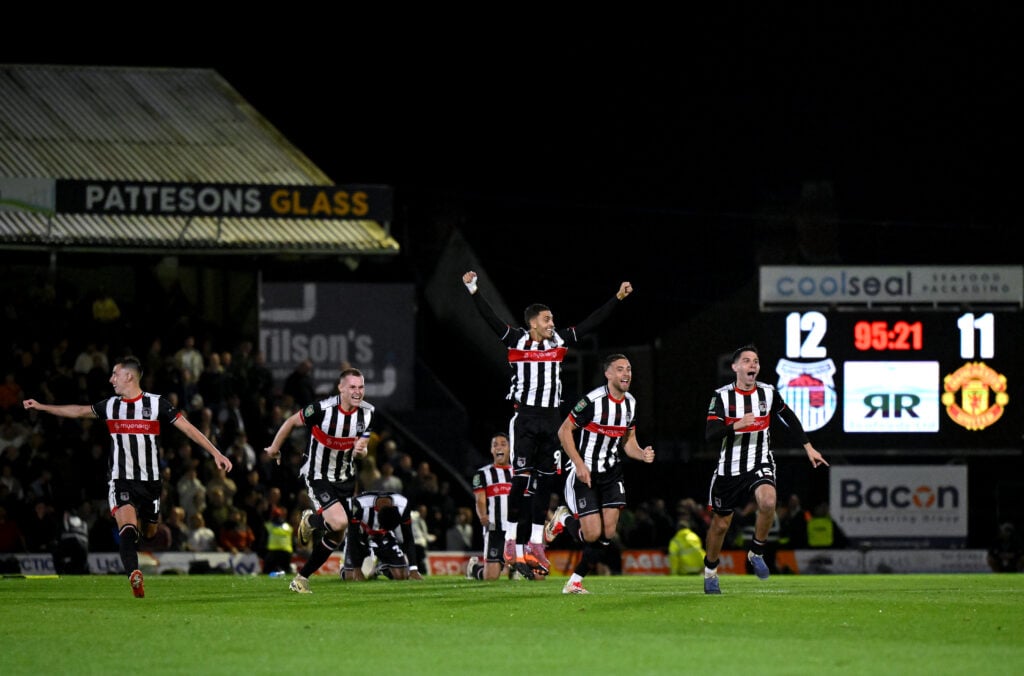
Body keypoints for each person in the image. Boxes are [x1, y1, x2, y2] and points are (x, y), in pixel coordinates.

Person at [461, 270, 633, 579]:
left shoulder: (559, 341)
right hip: (525, 417)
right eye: (547, 319)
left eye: (552, 319)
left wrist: (616, 299)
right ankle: (512, 541)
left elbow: (591, 322)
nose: (552, 323)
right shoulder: (516, 339)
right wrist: (474, 290)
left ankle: (537, 543)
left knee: (546, 482)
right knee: (521, 479)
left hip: (551, 418)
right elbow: (490, 319)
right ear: (533, 322)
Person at [23, 355, 232, 598]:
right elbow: (79, 411)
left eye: (115, 374)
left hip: (151, 481)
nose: (111, 379)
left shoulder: (156, 404)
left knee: (150, 532)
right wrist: (42, 407)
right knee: (128, 527)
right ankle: (134, 574)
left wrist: (216, 453)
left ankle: (144, 536)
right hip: (121, 478)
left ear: (129, 376)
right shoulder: (111, 405)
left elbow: (188, 429)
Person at [702, 344, 829, 594]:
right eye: (747, 361)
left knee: (769, 502)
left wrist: (808, 447)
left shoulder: (768, 393)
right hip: (729, 469)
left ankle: (756, 551)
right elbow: (710, 434)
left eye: (756, 361)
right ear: (735, 367)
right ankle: (710, 571)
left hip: (760, 461)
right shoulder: (722, 396)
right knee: (720, 526)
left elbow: (788, 416)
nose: (753, 365)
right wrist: (736, 425)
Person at [547, 353, 655, 594]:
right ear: (607, 374)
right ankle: (564, 518)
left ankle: (574, 581)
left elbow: (629, 443)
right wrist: (579, 464)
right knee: (592, 533)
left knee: (608, 533)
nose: (626, 373)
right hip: (584, 473)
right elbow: (564, 431)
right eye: (620, 369)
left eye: (628, 369)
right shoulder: (591, 401)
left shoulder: (631, 403)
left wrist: (641, 453)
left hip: (611, 472)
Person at [264, 367, 373, 594]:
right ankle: (312, 521)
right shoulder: (321, 409)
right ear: (341, 388)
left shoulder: (367, 413)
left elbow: (362, 450)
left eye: (361, 387)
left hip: (344, 479)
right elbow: (291, 422)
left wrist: (361, 451)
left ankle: (301, 578)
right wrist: (275, 448)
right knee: (339, 522)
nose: (357, 391)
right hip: (318, 475)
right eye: (352, 386)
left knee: (337, 533)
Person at [339, 490, 423, 581]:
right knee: (351, 578)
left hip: (384, 537)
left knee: (402, 576)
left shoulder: (403, 504)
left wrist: (413, 569)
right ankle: (344, 566)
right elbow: (352, 537)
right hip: (360, 536)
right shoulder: (358, 504)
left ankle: (381, 567)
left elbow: (408, 537)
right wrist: (357, 570)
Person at [467, 432, 515, 581]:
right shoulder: (482, 474)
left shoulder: (519, 472)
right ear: (491, 450)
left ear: (510, 448)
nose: (498, 447)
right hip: (495, 527)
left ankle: (513, 568)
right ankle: (474, 569)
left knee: (537, 577)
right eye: (495, 445)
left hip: (516, 528)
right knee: (491, 578)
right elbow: (480, 499)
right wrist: (482, 515)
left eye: (503, 444)